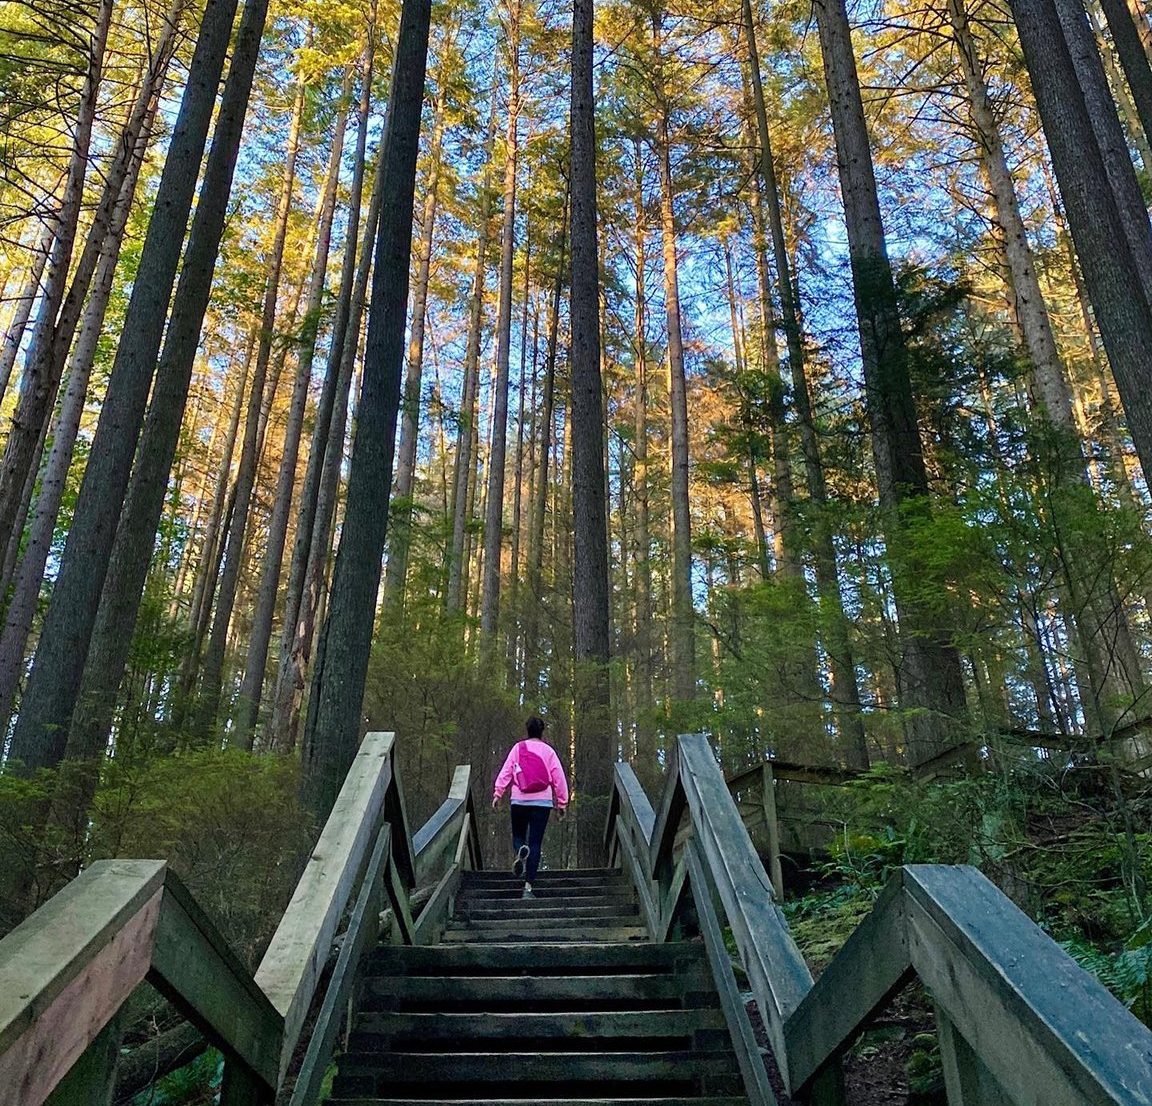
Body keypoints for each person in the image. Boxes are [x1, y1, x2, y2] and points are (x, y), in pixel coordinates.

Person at [492, 717, 569, 898]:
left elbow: (506, 771)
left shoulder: (518, 748)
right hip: (542, 802)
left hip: (519, 800)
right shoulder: (549, 751)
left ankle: (520, 850)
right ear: (542, 731)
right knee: (535, 843)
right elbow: (558, 777)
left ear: (527, 730)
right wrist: (562, 803)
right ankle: (528, 888)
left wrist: (498, 793)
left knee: (518, 836)